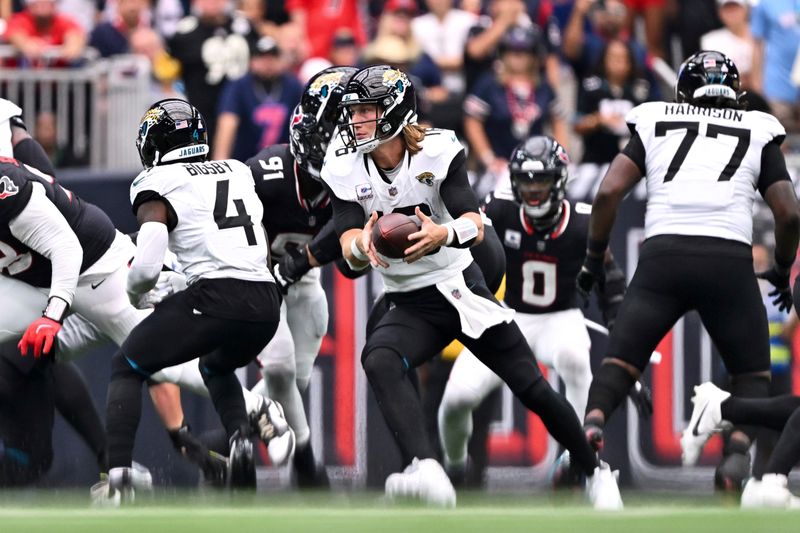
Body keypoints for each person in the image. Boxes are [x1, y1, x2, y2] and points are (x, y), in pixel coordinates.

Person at [322, 64, 623, 509]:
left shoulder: (436, 151)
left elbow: (472, 220)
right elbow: (346, 234)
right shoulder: (344, 164)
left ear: (393, 113)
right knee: (380, 359)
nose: (355, 121)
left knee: (530, 384)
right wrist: (361, 246)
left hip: (457, 283)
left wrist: (442, 234)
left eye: (366, 110)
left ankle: (596, 473)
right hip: (408, 298)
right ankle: (427, 469)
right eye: (355, 111)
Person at [574, 51, 800, 471]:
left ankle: (592, 425)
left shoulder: (656, 119)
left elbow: (607, 194)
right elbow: (788, 213)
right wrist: (783, 269)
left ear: (682, 91)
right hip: (728, 261)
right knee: (752, 377)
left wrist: (592, 260)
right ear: (735, 92)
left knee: (621, 361)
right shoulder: (756, 127)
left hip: (664, 257)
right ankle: (734, 461)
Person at [97, 98, 283, 503]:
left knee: (127, 366)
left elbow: (146, 267)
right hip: (267, 300)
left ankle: (119, 481)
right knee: (215, 367)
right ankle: (240, 440)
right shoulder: (236, 169)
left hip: (217, 295)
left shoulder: (159, 182)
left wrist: (137, 294)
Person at [437, 136, 632, 482]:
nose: (533, 190)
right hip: (509, 316)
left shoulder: (582, 222)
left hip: (561, 317)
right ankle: (454, 470)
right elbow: (463, 247)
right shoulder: (499, 209)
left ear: (558, 181)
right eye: (526, 181)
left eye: (541, 180)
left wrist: (626, 350)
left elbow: (611, 283)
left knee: (574, 358)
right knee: (455, 400)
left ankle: (578, 461)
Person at [245, 65, 358, 487]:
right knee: (279, 371)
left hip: (305, 288)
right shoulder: (266, 173)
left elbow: (349, 262)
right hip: (260, 281)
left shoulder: (357, 183)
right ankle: (308, 463)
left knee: (293, 381)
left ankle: (230, 435)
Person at [213, 35, 303, 161]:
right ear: (252, 61)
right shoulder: (239, 86)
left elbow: (303, 121)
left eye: (273, 57)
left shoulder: (292, 85)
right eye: (262, 57)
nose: (268, 62)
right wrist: (221, 160)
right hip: (246, 160)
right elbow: (227, 122)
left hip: (284, 160)